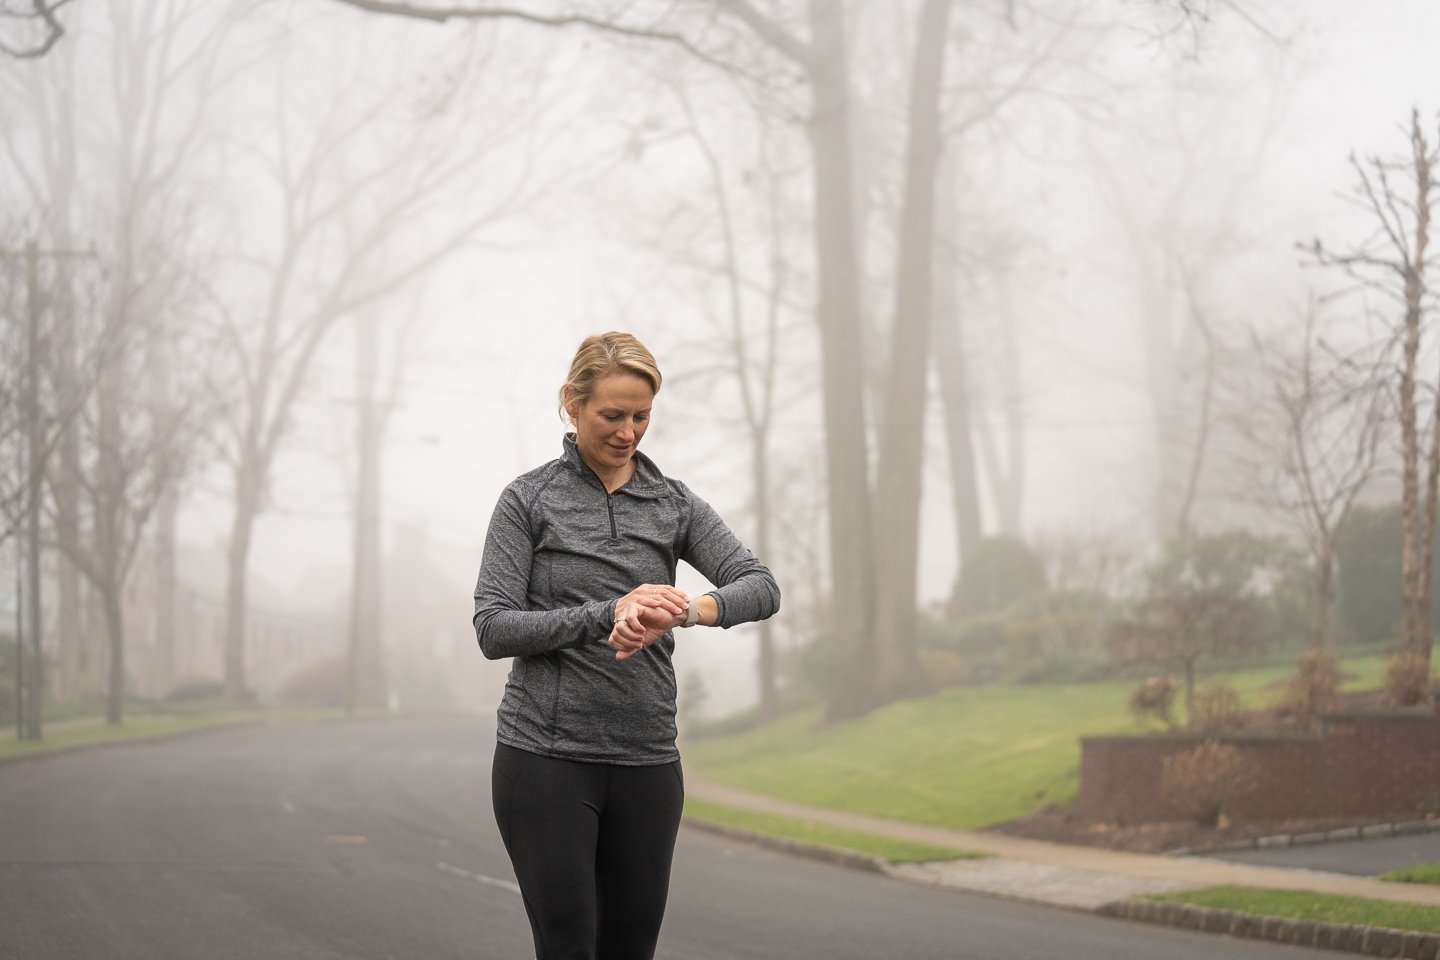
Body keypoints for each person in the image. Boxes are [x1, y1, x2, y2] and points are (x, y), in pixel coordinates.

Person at [473, 331, 781, 960]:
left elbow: (761, 586)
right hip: (546, 762)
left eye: (642, 417)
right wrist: (607, 611)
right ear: (573, 404)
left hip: (647, 764)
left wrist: (687, 611)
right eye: (612, 415)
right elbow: (493, 627)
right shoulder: (528, 501)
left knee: (630, 952)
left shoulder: (673, 504)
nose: (628, 432)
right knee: (569, 949)